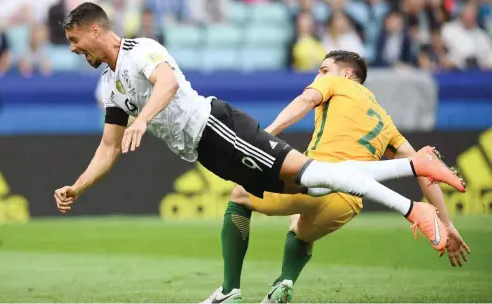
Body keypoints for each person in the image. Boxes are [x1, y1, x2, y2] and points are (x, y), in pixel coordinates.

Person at [52, 3, 465, 255]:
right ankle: (417, 166)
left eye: (74, 38)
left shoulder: (140, 49)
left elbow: (168, 82)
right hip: (207, 149)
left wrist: (142, 119)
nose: (73, 48)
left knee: (310, 175)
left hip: (216, 126)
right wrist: (78, 186)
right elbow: (109, 145)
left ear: (95, 29)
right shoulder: (111, 84)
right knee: (314, 186)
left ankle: (413, 206)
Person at [202, 51, 471, 304]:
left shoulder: (335, 85)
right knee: (300, 230)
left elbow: (304, 101)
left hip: (319, 178)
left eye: (324, 69)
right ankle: (284, 282)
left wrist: (267, 134)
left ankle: (228, 291)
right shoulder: (386, 122)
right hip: (347, 205)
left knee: (240, 195)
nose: (319, 76)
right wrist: (447, 224)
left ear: (346, 74)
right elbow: (423, 170)